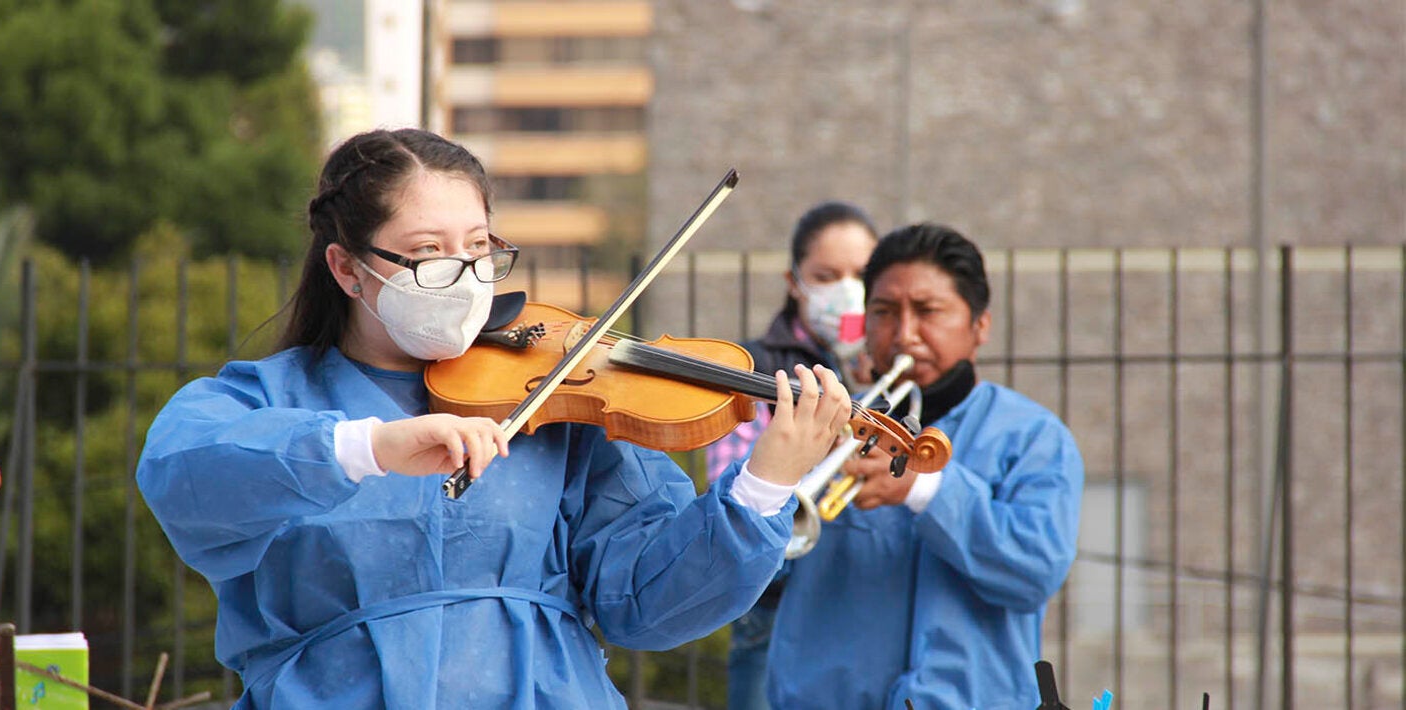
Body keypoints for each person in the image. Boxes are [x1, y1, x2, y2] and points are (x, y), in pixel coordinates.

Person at [135, 128, 853, 709]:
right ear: (348, 269)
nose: (466, 273)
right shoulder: (264, 399)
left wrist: (762, 487)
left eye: (479, 248)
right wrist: (367, 448)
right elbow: (185, 476)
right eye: (428, 253)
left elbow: (647, 606)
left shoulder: (558, 414)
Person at [763, 223, 1084, 710]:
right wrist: (781, 473)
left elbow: (1036, 570)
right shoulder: (827, 429)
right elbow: (751, 574)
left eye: (928, 311)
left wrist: (925, 490)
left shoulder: (1033, 437)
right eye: (885, 313)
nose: (905, 334)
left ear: (980, 326)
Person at [703, 201, 879, 710]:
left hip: (871, 609)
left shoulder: (894, 368)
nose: (847, 290)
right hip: (777, 617)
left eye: (862, 275)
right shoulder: (758, 370)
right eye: (827, 276)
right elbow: (734, 502)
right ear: (794, 281)